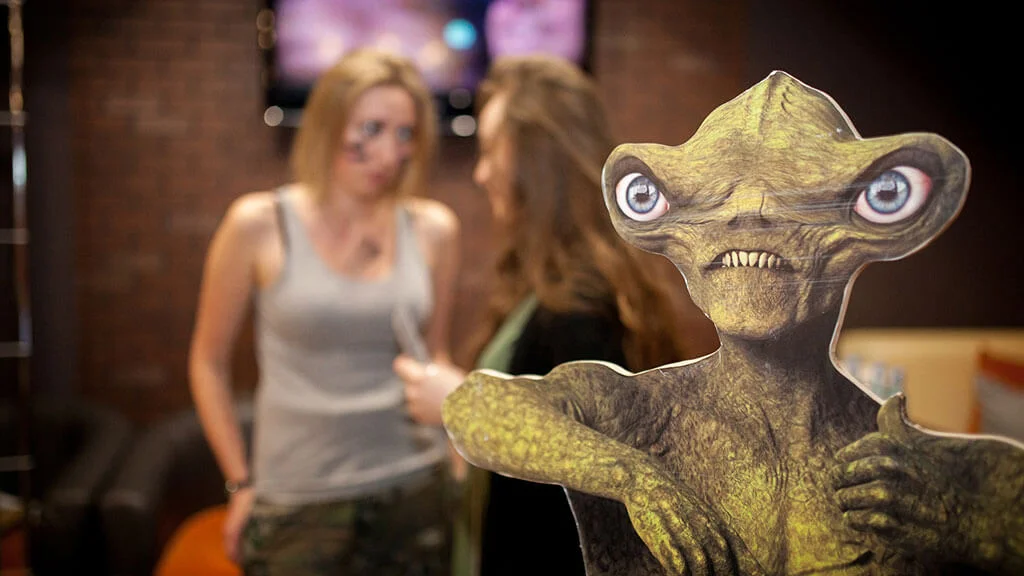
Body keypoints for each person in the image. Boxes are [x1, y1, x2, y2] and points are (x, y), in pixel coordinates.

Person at [394, 55, 689, 576]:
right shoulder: (555, 285)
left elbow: (579, 488)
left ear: (539, 161)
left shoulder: (581, 310)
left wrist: (464, 407)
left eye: (491, 150)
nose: (480, 173)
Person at [188, 48, 460, 575]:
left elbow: (434, 356)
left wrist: (459, 459)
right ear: (328, 125)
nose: (390, 153)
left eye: (405, 134)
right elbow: (207, 362)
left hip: (415, 487)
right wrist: (240, 483)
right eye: (372, 129)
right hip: (297, 498)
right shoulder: (258, 223)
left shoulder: (433, 229)